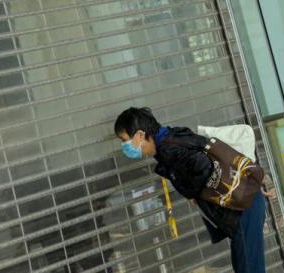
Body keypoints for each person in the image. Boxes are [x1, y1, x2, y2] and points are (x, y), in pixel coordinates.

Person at [114, 107, 275, 273]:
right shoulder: (172, 138)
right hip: (244, 202)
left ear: (140, 135)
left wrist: (191, 192)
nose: (124, 146)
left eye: (124, 140)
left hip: (241, 210)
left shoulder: (170, 149)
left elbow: (205, 166)